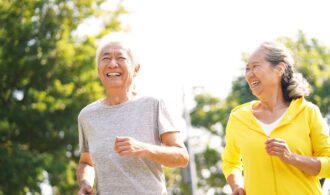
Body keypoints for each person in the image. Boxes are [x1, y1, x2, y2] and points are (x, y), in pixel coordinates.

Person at [76, 33, 189, 195]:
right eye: (105, 58)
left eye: (121, 58)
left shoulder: (153, 104)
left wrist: (143, 148)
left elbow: (182, 157)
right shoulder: (87, 116)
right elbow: (86, 163)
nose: (112, 64)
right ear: (98, 70)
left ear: (136, 69)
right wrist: (85, 183)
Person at [221, 41, 330, 195]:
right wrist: (236, 185)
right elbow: (230, 162)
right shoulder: (238, 118)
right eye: (247, 69)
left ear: (279, 69)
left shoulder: (307, 112)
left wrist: (292, 157)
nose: (249, 74)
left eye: (255, 66)